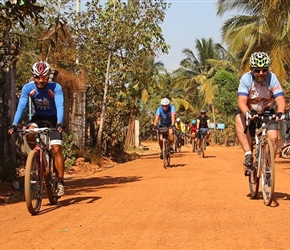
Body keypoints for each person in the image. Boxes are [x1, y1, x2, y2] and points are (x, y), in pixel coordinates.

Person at [8, 60, 66, 197]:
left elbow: (60, 105)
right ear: (33, 76)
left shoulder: (55, 87)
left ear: (48, 77)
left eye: (44, 77)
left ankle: (61, 182)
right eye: (37, 77)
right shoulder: (28, 88)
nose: (40, 80)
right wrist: (14, 124)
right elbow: (21, 106)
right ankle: (38, 157)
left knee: (56, 149)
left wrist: (59, 122)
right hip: (38, 118)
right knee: (30, 133)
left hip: (53, 119)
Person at [235, 52, 286, 173]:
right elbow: (241, 101)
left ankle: (267, 165)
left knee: (273, 137)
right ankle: (248, 154)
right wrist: (248, 112)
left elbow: (280, 99)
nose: (261, 73)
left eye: (265, 70)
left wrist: (280, 112)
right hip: (250, 111)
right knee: (238, 117)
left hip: (268, 112)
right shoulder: (246, 79)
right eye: (257, 70)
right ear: (251, 69)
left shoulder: (272, 78)